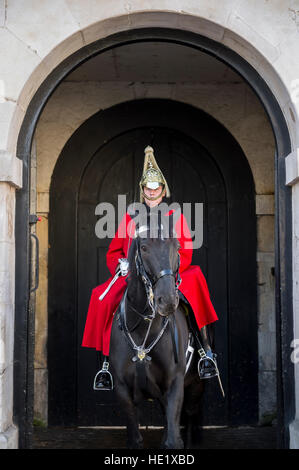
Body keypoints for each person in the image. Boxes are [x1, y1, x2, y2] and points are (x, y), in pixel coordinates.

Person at [82, 146, 219, 390]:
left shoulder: (175, 216)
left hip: (171, 273)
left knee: (195, 284)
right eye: (148, 189)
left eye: (156, 189)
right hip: (136, 276)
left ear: (163, 191)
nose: (152, 193)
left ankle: (205, 351)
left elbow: (185, 250)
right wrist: (121, 266)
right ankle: (105, 366)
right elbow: (114, 251)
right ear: (142, 191)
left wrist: (171, 272)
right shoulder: (129, 217)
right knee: (100, 298)